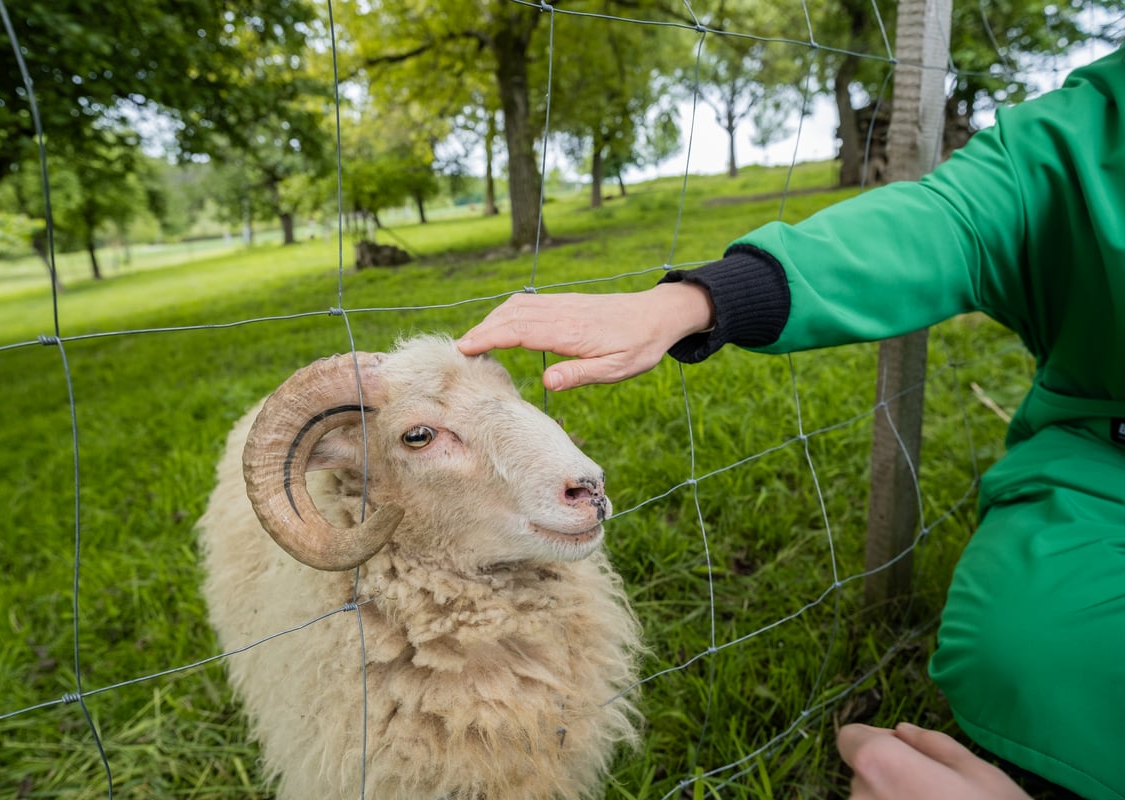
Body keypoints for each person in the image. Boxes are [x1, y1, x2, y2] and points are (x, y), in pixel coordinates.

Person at [458, 45, 1125, 800]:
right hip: (1107, 455)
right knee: (1023, 647)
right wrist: (698, 299)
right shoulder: (1081, 130)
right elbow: (945, 222)